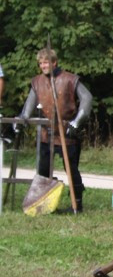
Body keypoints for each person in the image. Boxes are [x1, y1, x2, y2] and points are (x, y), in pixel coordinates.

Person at [15, 48, 92, 212]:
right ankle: (43, 203)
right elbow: (28, 107)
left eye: (46, 62)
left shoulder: (69, 79)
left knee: (71, 169)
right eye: (41, 63)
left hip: (67, 132)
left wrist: (77, 122)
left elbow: (87, 98)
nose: (43, 65)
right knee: (43, 170)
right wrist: (22, 118)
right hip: (46, 133)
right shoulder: (37, 82)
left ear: (54, 62)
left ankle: (77, 204)